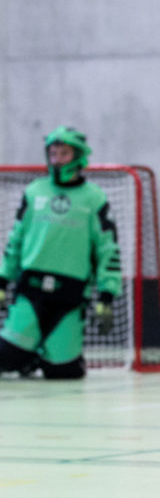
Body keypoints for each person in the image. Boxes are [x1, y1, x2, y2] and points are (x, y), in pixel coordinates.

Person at [1, 127, 122, 379]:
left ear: (78, 156)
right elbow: (16, 239)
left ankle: (51, 354)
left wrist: (107, 296)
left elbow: (107, 248)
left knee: (63, 373)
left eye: (64, 154)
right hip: (31, 287)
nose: (57, 160)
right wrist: (3, 279)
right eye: (53, 153)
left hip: (71, 292)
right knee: (7, 358)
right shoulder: (34, 192)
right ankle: (28, 355)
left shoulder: (94, 199)